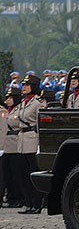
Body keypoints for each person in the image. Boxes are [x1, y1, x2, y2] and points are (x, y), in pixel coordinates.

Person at [14, 75, 46, 213]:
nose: (24, 87)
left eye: (27, 85)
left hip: (33, 140)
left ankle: (37, 204)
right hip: (22, 140)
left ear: (33, 86)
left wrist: (40, 144)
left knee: (34, 174)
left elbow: (40, 124)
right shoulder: (23, 102)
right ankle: (29, 203)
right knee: (24, 175)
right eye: (23, 85)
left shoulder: (37, 103)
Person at [2, 89, 23, 208]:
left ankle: (19, 198)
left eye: (10, 98)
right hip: (7, 145)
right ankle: (11, 197)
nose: (8, 100)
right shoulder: (6, 110)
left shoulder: (20, 109)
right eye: (7, 98)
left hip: (15, 143)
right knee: (8, 174)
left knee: (17, 174)